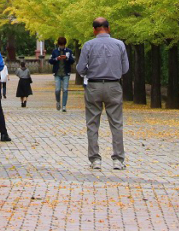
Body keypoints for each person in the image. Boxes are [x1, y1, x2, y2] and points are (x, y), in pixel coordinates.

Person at [76, 17, 129, 170]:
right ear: (108, 28)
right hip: (113, 85)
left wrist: (90, 72)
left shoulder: (88, 45)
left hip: (94, 85)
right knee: (116, 123)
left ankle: (95, 159)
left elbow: (80, 68)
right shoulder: (119, 45)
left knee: (92, 123)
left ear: (94, 30)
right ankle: (118, 160)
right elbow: (125, 68)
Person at [48, 36, 75, 112]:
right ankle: (58, 101)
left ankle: (64, 106)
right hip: (57, 73)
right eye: (60, 45)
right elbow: (50, 61)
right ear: (58, 44)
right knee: (57, 89)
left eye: (63, 45)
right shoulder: (55, 51)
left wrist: (66, 58)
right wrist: (57, 58)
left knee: (65, 90)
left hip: (66, 73)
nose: (62, 46)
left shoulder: (69, 51)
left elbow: (72, 61)